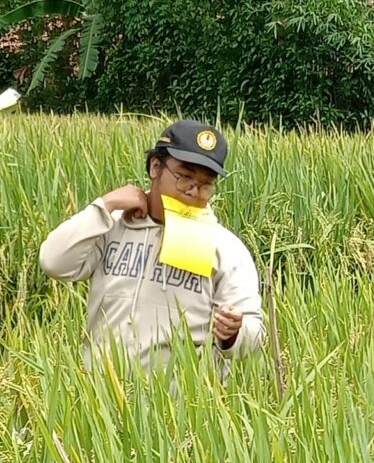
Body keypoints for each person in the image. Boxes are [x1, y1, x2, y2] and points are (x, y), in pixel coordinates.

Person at [39, 119, 264, 375]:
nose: (193, 191)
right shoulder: (112, 226)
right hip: (100, 398)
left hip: (179, 406)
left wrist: (233, 333)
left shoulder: (224, 246)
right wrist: (105, 205)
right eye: (185, 177)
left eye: (206, 184)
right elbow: (53, 263)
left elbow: (255, 334)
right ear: (155, 167)